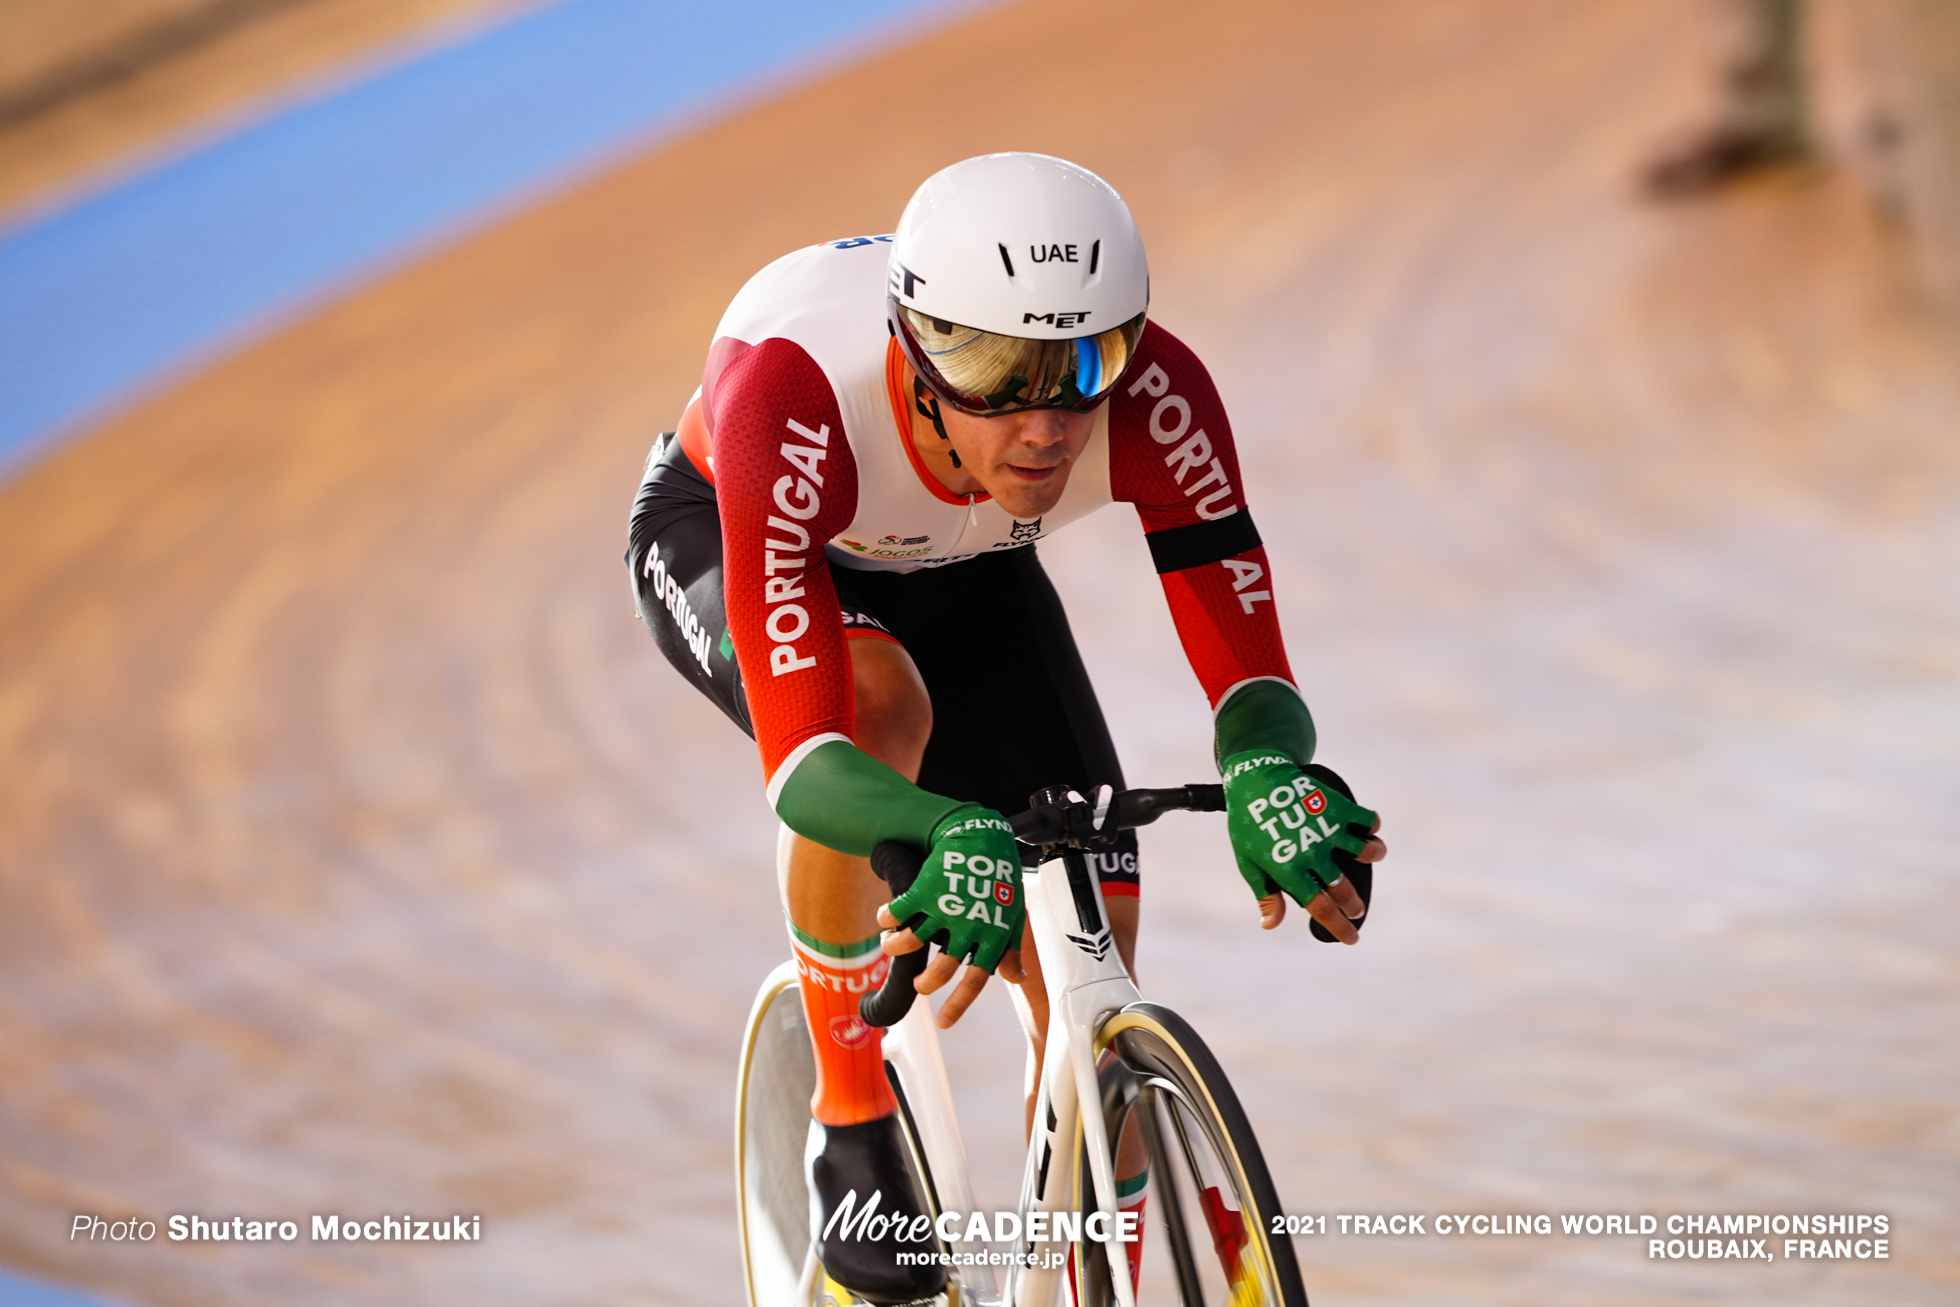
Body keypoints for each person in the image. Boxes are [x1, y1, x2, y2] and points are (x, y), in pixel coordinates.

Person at [626, 152, 1386, 1304]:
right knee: (884, 705)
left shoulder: (1157, 394)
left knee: (1097, 948)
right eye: (991, 373)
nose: (1043, 425)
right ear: (914, 350)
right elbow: (805, 763)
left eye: (1086, 366)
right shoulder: (795, 392)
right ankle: (851, 1120)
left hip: (970, 564)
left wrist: (1269, 766)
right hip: (750, 539)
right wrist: (942, 828)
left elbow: (1244, 647)